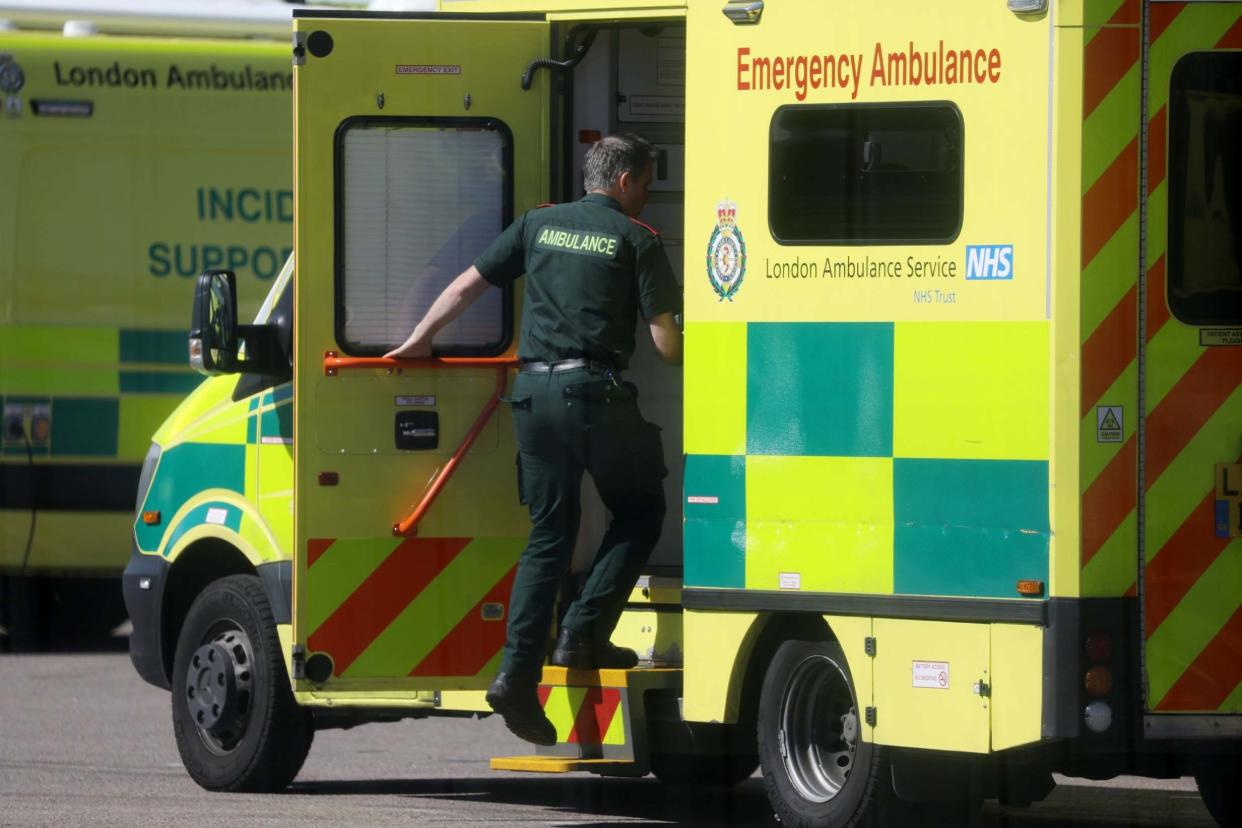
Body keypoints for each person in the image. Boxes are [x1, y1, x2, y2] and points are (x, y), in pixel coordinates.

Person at [384, 133, 682, 745]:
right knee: (641, 508)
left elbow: (467, 285)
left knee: (550, 535)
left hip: (532, 396)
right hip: (594, 395)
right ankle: (581, 633)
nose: (647, 197)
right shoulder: (636, 240)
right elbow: (666, 347)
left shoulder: (538, 227)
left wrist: (419, 338)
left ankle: (515, 678)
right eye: (647, 184)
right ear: (624, 181)